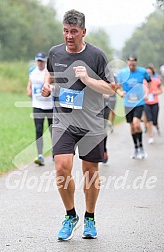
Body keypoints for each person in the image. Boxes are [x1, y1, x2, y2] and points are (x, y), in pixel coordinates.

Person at [42, 9, 120, 240]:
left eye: (74, 32)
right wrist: (47, 87)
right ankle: (70, 215)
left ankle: (89, 218)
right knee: (61, 167)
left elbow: (110, 88)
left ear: (83, 32)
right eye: (66, 31)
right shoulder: (55, 53)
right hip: (63, 120)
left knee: (90, 172)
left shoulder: (96, 56)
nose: (69, 36)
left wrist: (87, 79)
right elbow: (50, 74)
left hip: (91, 123)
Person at [117, 55, 151, 159]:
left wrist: (146, 92)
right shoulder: (122, 73)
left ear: (136, 63)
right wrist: (120, 93)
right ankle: (136, 148)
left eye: (133, 63)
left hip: (139, 102)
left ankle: (141, 147)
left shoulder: (142, 71)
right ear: (127, 62)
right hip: (128, 103)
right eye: (129, 62)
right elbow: (116, 87)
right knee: (132, 126)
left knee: (137, 124)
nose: (131, 64)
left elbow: (149, 81)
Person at [27, 52, 53, 166]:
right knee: (38, 130)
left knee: (53, 131)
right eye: (38, 60)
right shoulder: (32, 71)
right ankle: (40, 155)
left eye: (42, 61)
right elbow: (29, 84)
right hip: (37, 105)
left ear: (45, 61)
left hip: (50, 106)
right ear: (36, 61)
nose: (40, 63)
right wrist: (28, 90)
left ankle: (55, 153)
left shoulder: (48, 72)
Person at [144, 65, 163, 144]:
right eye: (147, 73)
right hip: (146, 103)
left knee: (154, 121)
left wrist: (155, 92)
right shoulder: (143, 81)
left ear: (152, 73)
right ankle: (151, 136)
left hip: (155, 103)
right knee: (149, 121)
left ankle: (157, 127)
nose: (148, 74)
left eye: (149, 72)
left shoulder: (156, 80)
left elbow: (161, 91)